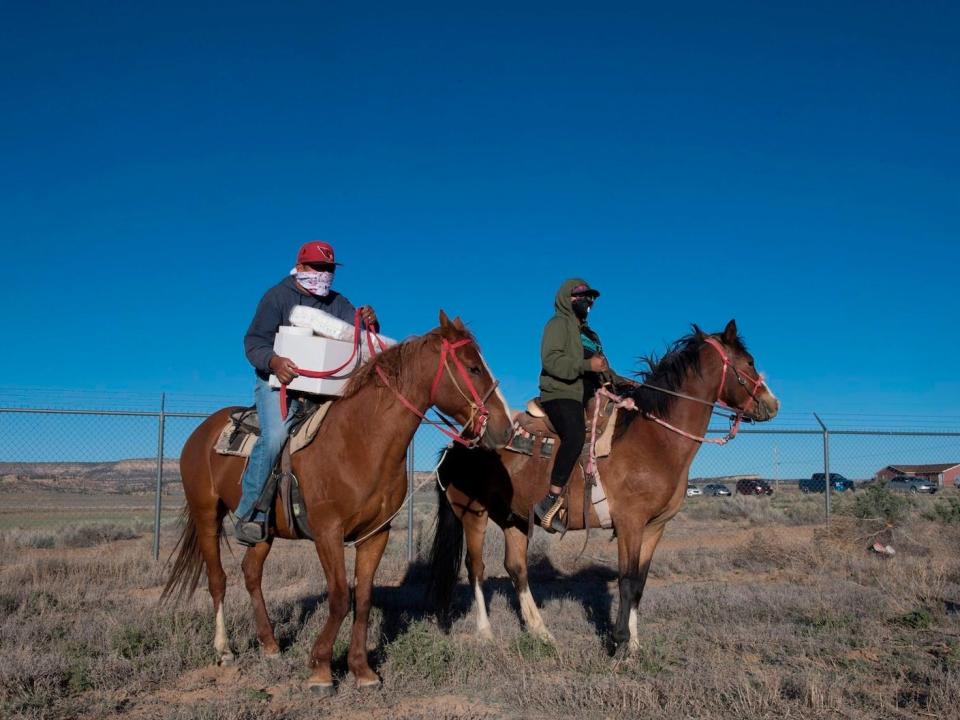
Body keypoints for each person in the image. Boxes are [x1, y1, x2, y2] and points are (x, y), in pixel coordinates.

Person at [234, 240, 378, 546]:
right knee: (275, 436)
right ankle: (250, 514)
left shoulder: (339, 303)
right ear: (300, 268)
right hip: (278, 383)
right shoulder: (277, 297)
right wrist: (274, 361)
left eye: (328, 269)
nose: (323, 274)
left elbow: (361, 343)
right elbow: (254, 341)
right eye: (317, 268)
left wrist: (370, 324)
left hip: (323, 385)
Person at [532, 278, 612, 533]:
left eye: (590, 297)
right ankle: (550, 499)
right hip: (560, 393)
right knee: (575, 434)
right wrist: (587, 366)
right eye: (581, 296)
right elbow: (551, 360)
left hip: (589, 395)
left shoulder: (591, 334)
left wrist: (621, 381)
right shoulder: (558, 324)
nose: (587, 301)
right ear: (568, 299)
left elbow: (602, 368)